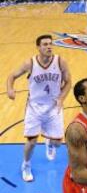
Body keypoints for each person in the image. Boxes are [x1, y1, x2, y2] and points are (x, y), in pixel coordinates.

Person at [6, 34, 71, 182]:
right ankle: (26, 164)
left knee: (57, 144)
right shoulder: (30, 63)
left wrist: (61, 98)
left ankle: (49, 142)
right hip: (34, 106)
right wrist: (10, 88)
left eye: (50, 44)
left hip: (54, 106)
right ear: (38, 47)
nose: (49, 47)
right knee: (32, 141)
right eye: (45, 44)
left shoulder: (60, 62)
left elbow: (68, 82)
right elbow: (12, 76)